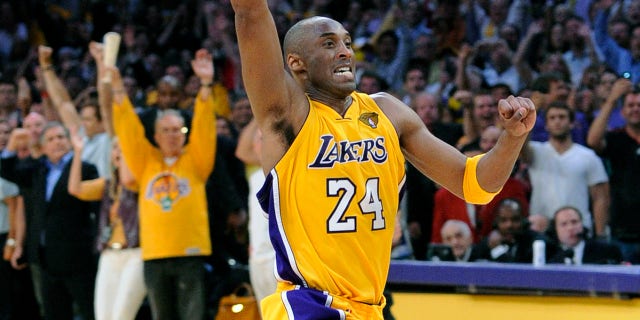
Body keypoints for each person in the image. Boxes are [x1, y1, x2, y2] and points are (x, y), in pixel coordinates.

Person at [230, 2, 536, 319]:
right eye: (329, 43)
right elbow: (251, 14)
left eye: (347, 42)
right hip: (310, 304)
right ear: (296, 63)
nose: (345, 52)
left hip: (369, 308)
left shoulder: (388, 113)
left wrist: (511, 137)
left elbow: (475, 185)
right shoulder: (288, 115)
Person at [109, 48, 216, 320]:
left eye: (178, 130)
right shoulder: (146, 161)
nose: (171, 136)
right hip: (154, 253)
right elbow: (129, 129)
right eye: (165, 130)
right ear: (155, 135)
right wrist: (118, 90)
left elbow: (204, 126)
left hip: (190, 251)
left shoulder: (196, 160)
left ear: (185, 135)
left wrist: (205, 84)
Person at [1, 122, 99, 320]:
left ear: (70, 142)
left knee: (90, 311)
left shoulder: (86, 169)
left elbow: (95, 211)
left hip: (78, 257)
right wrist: (11, 144)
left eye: (61, 137)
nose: (57, 143)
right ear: (43, 147)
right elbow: (7, 170)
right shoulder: (38, 169)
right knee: (54, 314)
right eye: (51, 139)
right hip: (46, 259)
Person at [522, 102, 610, 237]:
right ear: (546, 124)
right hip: (542, 227)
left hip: (578, 229)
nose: (557, 121)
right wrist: (530, 115)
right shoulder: (535, 151)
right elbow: (520, 147)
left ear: (572, 123)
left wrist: (600, 234)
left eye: (562, 117)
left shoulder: (588, 156)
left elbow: (600, 198)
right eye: (552, 118)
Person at [587, 81, 640, 264]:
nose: (635, 109)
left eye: (639, 105)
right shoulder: (616, 138)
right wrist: (611, 100)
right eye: (630, 105)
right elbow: (593, 140)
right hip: (622, 232)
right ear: (623, 112)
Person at [547, 206, 622, 265]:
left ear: (582, 224)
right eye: (564, 224)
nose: (570, 228)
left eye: (574, 222)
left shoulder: (607, 252)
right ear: (556, 230)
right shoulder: (552, 259)